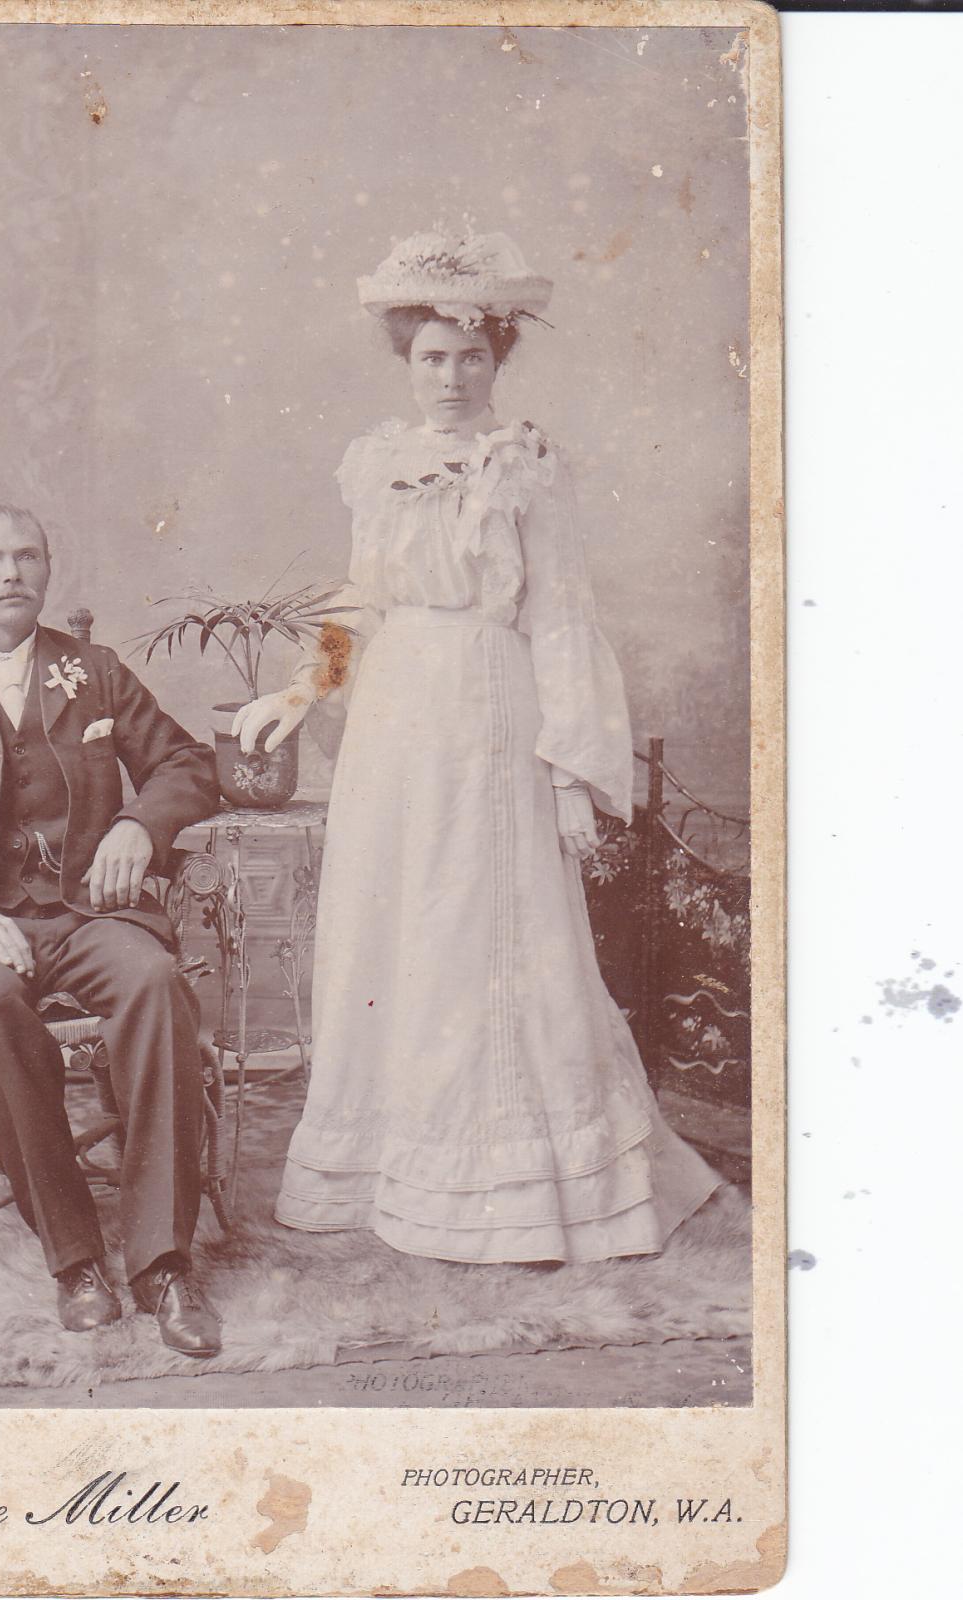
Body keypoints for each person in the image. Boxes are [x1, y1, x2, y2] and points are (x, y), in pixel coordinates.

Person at [233, 232, 721, 1265]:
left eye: (471, 358)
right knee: (390, 930)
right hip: (395, 727)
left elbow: (561, 615)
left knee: (482, 934)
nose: (451, 379)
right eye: (430, 359)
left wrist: (571, 773)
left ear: (498, 360)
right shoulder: (378, 462)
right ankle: (390, 1165)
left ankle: (506, 1179)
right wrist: (301, 686)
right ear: (404, 360)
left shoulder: (528, 465)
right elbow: (359, 599)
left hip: (490, 718)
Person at [0, 501, 223, 1351]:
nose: (11, 574)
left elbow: (185, 764)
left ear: (49, 568)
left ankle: (163, 1262)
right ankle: (75, 1258)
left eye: (26, 556)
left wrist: (140, 824)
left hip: (91, 912)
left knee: (157, 983)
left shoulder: (93, 669)